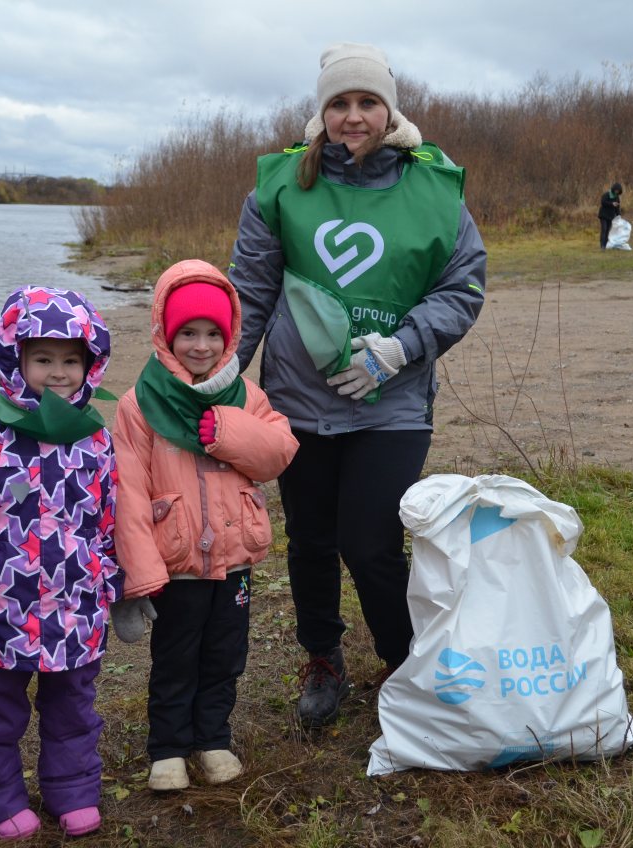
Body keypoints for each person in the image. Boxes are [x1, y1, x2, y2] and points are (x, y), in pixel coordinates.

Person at [227, 42, 487, 728]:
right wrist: (223, 377)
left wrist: (400, 348)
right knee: (310, 538)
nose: (353, 116)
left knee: (371, 541)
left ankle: (408, 664)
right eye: (339, 103)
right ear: (321, 113)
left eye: (367, 101)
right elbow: (250, 289)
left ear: (390, 110)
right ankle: (323, 659)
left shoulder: (436, 192)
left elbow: (462, 288)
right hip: (298, 401)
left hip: (392, 403)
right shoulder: (281, 186)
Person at [0, 286, 123, 840]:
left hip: (76, 610)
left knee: (75, 711)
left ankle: (73, 791)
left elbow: (107, 525)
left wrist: (118, 589)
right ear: (16, 357)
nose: (57, 373)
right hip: (0, 611)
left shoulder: (96, 441)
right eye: (42, 360)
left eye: (70, 360)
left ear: (90, 365)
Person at [113, 259, 298, 791]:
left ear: (230, 335)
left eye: (212, 333)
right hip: (177, 564)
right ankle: (168, 749)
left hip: (234, 560)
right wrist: (140, 578)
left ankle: (213, 739)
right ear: (166, 336)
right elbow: (127, 492)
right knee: (175, 657)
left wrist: (225, 429)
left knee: (224, 655)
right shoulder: (138, 404)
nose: (200, 345)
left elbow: (278, 453)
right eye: (187, 333)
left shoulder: (247, 398)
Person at [598, 182, 622, 249]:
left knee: (608, 230)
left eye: (618, 191)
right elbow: (603, 202)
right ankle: (602, 245)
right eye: (616, 190)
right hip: (603, 215)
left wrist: (619, 215)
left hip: (610, 216)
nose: (617, 192)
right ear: (613, 189)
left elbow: (617, 207)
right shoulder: (606, 194)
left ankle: (605, 245)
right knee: (604, 229)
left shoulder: (617, 197)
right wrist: (612, 204)